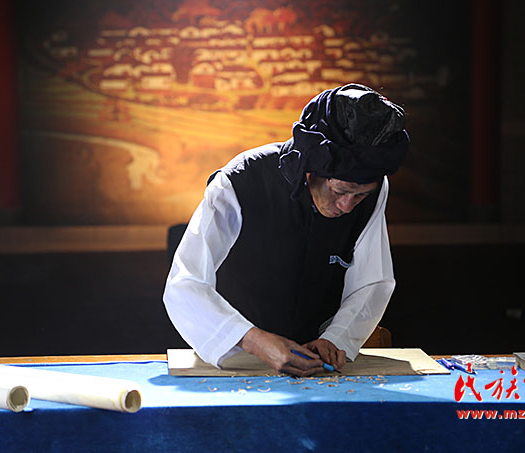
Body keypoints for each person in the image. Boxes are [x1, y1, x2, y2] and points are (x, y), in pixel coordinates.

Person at [163, 84, 409, 376]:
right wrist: (254, 341)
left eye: (360, 196)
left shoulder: (374, 189)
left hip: (318, 364)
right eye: (340, 191)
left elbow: (373, 281)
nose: (347, 206)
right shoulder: (240, 181)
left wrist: (335, 338)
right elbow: (185, 284)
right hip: (236, 358)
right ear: (309, 166)